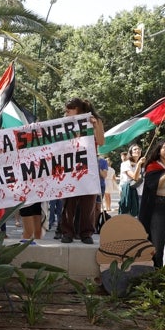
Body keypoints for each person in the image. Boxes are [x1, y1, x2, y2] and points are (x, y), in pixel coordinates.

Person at [59, 98, 105, 244]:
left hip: (89, 165)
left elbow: (101, 141)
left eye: (69, 110)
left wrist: (96, 125)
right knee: (69, 201)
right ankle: (67, 232)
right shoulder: (64, 122)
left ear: (77, 109)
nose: (66, 113)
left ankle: (86, 233)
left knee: (88, 202)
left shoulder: (94, 120)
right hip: (70, 165)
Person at [139, 138, 165, 270]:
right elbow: (152, 185)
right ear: (159, 150)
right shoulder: (152, 166)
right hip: (158, 207)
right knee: (157, 243)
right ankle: (156, 274)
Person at [119, 143, 145, 217]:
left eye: (139, 149)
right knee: (129, 216)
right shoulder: (125, 164)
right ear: (130, 152)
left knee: (139, 216)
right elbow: (134, 177)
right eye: (135, 149)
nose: (137, 150)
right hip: (129, 193)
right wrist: (139, 164)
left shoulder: (143, 165)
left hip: (140, 193)